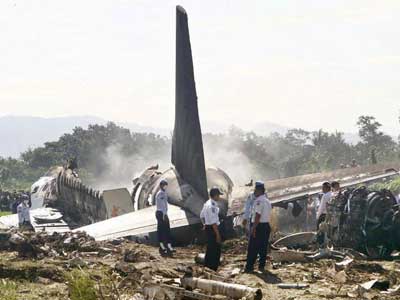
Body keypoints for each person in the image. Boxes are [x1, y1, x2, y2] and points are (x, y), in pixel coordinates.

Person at [245, 181, 272, 273]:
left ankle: (249, 267)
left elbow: (257, 215)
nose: (254, 192)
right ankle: (261, 266)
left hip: (258, 226)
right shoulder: (267, 201)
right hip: (265, 226)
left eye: (255, 190)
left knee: (252, 247)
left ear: (259, 190)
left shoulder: (259, 201)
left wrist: (253, 228)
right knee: (263, 247)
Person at [200, 187, 223, 271]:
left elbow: (201, 216)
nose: (219, 197)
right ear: (215, 195)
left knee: (209, 249)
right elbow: (214, 222)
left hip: (208, 228)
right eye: (218, 195)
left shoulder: (207, 203)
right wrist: (218, 235)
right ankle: (213, 269)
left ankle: (207, 267)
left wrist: (204, 224)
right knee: (216, 250)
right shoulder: (212, 206)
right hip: (213, 229)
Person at [155, 179, 174, 256]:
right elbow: (162, 205)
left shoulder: (164, 193)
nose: (165, 186)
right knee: (161, 230)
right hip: (160, 213)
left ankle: (169, 246)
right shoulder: (160, 194)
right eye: (164, 185)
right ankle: (162, 246)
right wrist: (164, 215)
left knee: (167, 230)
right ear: (161, 186)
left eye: (166, 185)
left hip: (164, 213)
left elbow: (165, 205)